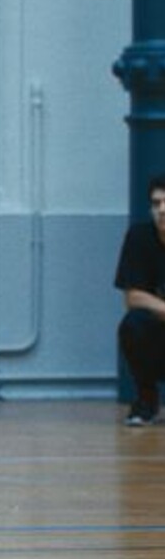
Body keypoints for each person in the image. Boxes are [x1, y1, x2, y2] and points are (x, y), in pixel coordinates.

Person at [114, 173, 165, 426]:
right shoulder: (139, 237)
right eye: (156, 204)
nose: (162, 210)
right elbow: (133, 297)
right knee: (132, 325)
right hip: (158, 334)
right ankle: (146, 400)